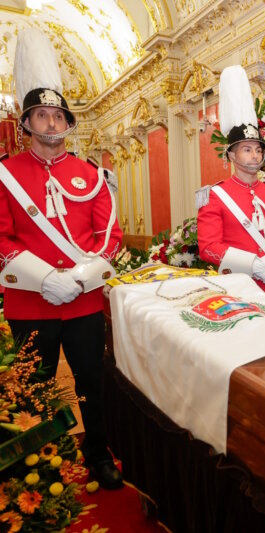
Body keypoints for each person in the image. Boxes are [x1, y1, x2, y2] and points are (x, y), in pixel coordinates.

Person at [0, 29, 123, 489]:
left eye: (57, 116)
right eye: (41, 116)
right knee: (35, 390)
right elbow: (1, 237)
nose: (51, 124)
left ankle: (98, 454)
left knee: (93, 384)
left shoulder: (90, 173)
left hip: (85, 301)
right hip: (29, 304)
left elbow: (109, 232)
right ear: (26, 121)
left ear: (67, 122)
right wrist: (43, 279)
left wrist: (81, 276)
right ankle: (37, 466)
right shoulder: (6, 175)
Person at [197, 66, 265, 303]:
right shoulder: (215, 195)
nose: (254, 155)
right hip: (236, 289)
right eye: (246, 149)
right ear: (231, 155)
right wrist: (252, 264)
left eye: (258, 150)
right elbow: (208, 246)